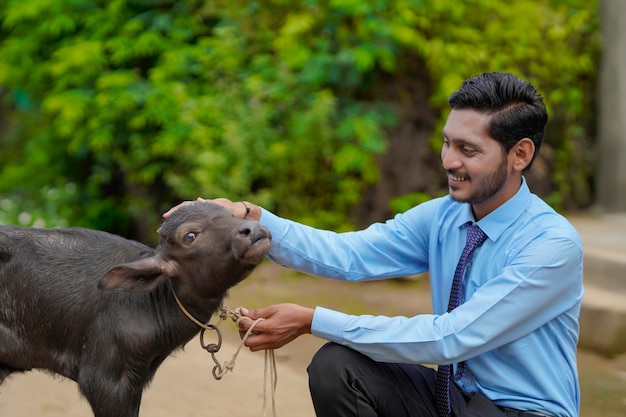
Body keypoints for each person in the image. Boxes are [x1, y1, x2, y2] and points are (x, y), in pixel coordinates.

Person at [163, 72, 583, 417]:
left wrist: (312, 319)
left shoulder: (552, 246)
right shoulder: (444, 215)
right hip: (451, 399)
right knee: (337, 367)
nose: (448, 161)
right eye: (447, 142)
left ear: (520, 154)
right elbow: (350, 254)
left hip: (520, 411)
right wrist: (248, 217)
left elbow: (452, 337)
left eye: (468, 149)